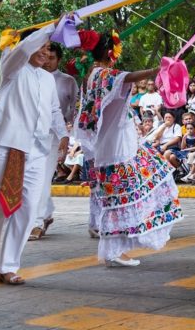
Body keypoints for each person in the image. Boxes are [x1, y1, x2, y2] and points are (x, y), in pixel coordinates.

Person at [0, 24, 68, 285]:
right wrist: (53, 27)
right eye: (44, 47)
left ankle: (8, 266)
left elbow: (55, 111)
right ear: (29, 45)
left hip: (37, 150)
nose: (47, 53)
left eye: (49, 49)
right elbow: (24, 46)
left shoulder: (47, 79)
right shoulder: (12, 67)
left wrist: (64, 135)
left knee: (27, 209)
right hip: (8, 146)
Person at [75, 30, 183, 266]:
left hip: (114, 144)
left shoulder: (92, 75)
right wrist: (157, 70)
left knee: (124, 194)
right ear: (109, 52)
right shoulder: (104, 74)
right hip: (116, 146)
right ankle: (113, 251)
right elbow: (129, 77)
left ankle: (115, 250)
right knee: (126, 194)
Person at [29, 43, 79, 241]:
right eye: (44, 56)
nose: (46, 61)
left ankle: (37, 222)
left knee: (42, 177)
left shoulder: (67, 81)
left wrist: (66, 134)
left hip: (53, 136)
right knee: (31, 178)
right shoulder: (31, 76)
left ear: (58, 60)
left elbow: (68, 110)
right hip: (29, 135)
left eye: (51, 58)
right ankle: (46, 212)